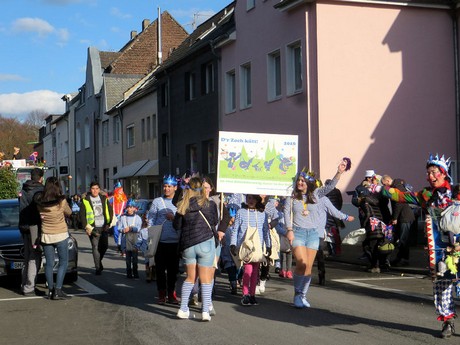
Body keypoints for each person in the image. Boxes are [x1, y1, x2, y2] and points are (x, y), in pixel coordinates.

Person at [382, 154, 455, 338]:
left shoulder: (456, 192)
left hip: (459, 246)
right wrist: (382, 188)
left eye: (434, 172)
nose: (430, 176)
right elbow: (402, 196)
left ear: (443, 173)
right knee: (442, 284)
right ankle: (447, 321)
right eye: (428, 173)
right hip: (440, 249)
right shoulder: (427, 195)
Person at [284, 160, 354, 308]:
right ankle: (297, 294)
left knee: (308, 267)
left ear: (309, 184)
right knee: (301, 264)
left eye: (303, 181)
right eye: (299, 180)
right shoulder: (291, 199)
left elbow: (329, 187)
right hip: (297, 233)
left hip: (313, 234)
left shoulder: (316, 195)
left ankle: (303, 295)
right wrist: (289, 230)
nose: (300, 183)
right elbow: (286, 215)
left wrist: (339, 172)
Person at [173, 177, 219, 321]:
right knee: (205, 279)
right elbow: (214, 221)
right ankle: (205, 311)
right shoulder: (210, 204)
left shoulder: (183, 205)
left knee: (190, 278)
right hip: (205, 243)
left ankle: (183, 309)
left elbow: (177, 226)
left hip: (188, 245)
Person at [34, 177, 72, 299]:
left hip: (46, 236)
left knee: (49, 264)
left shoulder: (40, 202)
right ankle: (58, 290)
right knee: (63, 262)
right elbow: (69, 212)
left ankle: (50, 290)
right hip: (60, 234)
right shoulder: (62, 201)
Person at [230, 194, 271, 306]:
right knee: (248, 270)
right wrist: (233, 244)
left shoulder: (262, 214)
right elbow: (235, 229)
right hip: (245, 246)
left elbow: (266, 231)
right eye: (249, 198)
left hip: (258, 246)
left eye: (253, 198)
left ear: (257, 199)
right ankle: (245, 294)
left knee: (255, 272)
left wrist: (268, 245)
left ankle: (252, 295)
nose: (251, 200)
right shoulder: (241, 212)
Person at [147, 175, 180, 304]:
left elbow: (183, 220)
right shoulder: (157, 201)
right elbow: (151, 219)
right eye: (165, 186)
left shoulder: (179, 202)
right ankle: (161, 294)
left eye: (169, 186)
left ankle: (171, 294)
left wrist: (174, 218)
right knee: (160, 270)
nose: (166, 189)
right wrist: (151, 235)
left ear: (175, 188)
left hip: (175, 242)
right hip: (160, 242)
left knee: (173, 271)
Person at [18, 167, 44, 296]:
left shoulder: (23, 189)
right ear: (41, 178)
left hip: (24, 226)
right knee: (34, 257)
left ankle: (24, 285)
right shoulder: (41, 190)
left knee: (28, 257)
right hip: (35, 227)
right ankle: (29, 287)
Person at [80, 181, 113, 275]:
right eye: (93, 189)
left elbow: (110, 211)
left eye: (96, 189)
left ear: (99, 189)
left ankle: (99, 261)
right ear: (90, 189)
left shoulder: (104, 198)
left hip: (103, 227)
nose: (95, 191)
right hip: (92, 227)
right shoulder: (86, 199)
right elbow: (82, 215)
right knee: (95, 247)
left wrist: (108, 223)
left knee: (105, 246)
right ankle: (98, 268)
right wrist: (86, 227)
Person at [389, 179, 415, 267]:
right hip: (405, 216)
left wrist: (395, 217)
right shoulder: (400, 186)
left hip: (405, 217)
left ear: (388, 181)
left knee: (403, 239)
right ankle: (403, 259)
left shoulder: (397, 188)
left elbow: (398, 203)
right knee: (403, 239)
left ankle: (401, 259)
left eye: (385, 184)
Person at [118, 199, 142, 279]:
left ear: (135, 208)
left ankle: (135, 272)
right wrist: (123, 230)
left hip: (134, 239)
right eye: (128, 207)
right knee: (128, 258)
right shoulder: (123, 217)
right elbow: (119, 228)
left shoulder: (138, 218)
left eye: (131, 207)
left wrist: (131, 229)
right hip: (126, 240)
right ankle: (129, 272)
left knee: (135, 258)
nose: (130, 209)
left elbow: (139, 228)